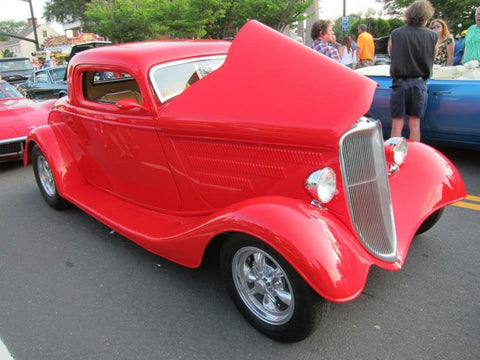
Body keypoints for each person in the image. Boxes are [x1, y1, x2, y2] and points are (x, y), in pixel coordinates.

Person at [388, 0, 437, 142]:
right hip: (419, 83)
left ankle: (394, 156)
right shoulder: (433, 36)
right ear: (426, 17)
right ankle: (413, 156)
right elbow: (432, 56)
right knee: (415, 124)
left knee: (397, 123)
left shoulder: (396, 33)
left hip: (399, 82)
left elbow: (392, 53)